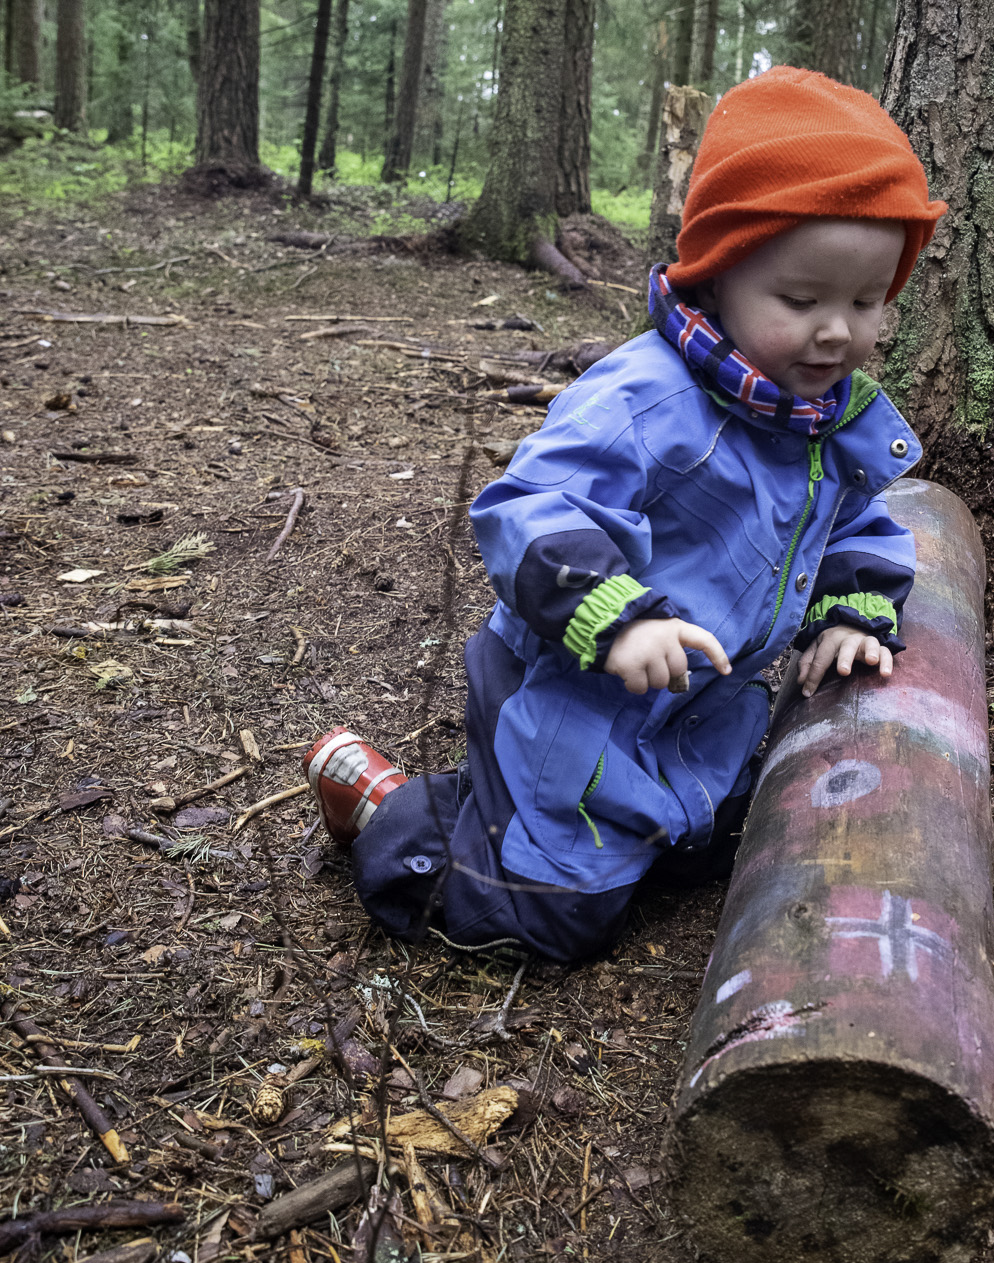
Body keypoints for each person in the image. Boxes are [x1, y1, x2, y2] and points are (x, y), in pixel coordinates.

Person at [304, 67, 947, 963]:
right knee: (548, 919)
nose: (836, 332)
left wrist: (851, 611)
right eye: (800, 301)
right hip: (583, 692)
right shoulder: (647, 398)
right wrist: (615, 616)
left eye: (865, 302)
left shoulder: (820, 416)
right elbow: (533, 505)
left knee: (708, 852)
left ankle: (550, 815)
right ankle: (390, 806)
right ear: (719, 276)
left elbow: (853, 524)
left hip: (700, 705)